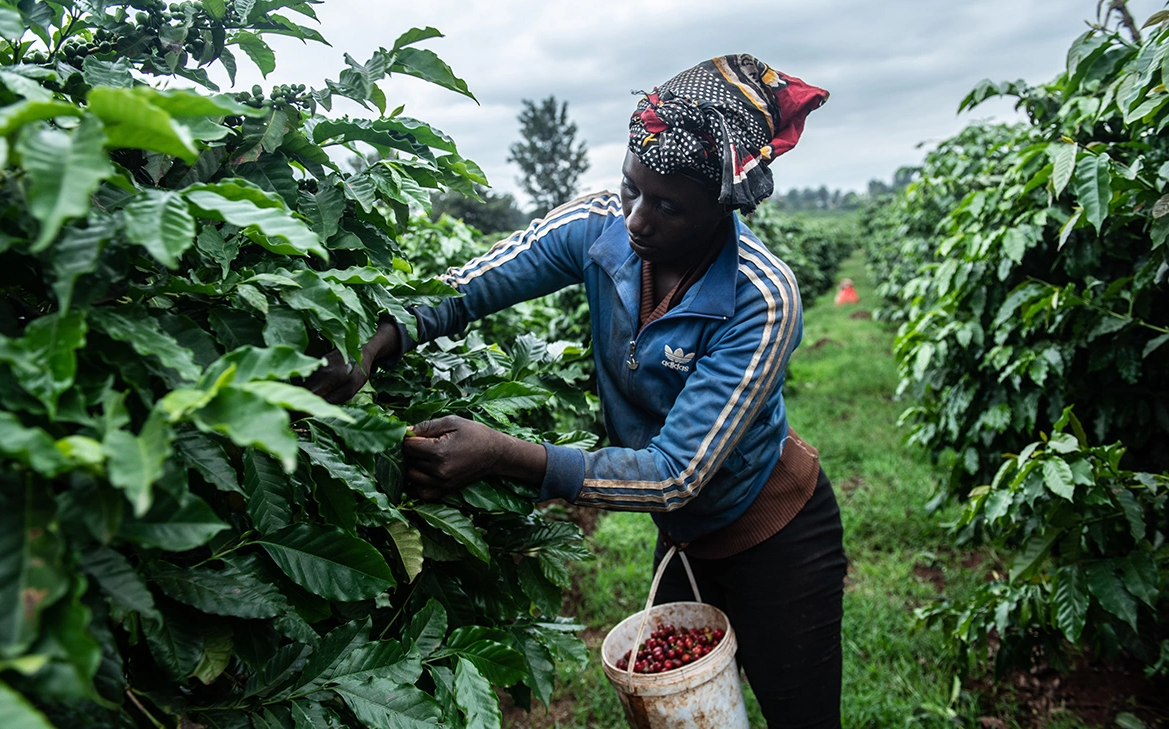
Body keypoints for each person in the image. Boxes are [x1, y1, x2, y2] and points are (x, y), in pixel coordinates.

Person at [307, 54, 846, 728]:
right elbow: (474, 282)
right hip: (686, 540)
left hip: (777, 534)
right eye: (631, 190)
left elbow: (675, 472)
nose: (637, 220)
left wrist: (503, 453)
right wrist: (375, 339)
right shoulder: (599, 229)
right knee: (688, 716)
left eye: (668, 206)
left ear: (722, 207)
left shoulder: (760, 297)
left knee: (802, 714)